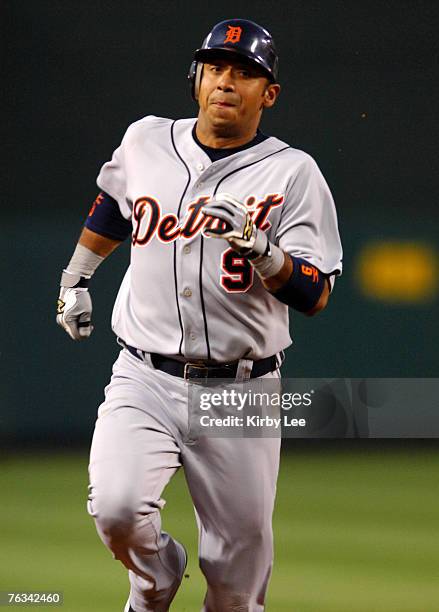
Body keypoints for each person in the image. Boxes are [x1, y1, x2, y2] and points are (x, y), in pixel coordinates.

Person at [56, 18, 342, 612]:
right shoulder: (146, 141)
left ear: (270, 94)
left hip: (242, 387)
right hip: (144, 373)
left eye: (245, 74)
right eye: (215, 68)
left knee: (236, 587)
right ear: (196, 78)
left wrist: (265, 252)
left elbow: (316, 293)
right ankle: (157, 580)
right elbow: (114, 204)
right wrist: (78, 275)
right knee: (116, 507)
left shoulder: (294, 173)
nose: (226, 82)